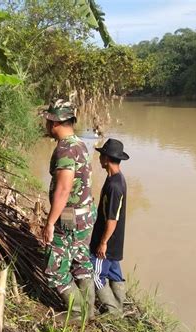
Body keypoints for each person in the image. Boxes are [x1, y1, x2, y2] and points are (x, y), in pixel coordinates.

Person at [41, 99, 96, 320]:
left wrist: (50, 223)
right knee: (81, 261)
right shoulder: (80, 144)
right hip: (86, 214)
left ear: (54, 122)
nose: (46, 126)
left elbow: (64, 188)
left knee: (55, 268)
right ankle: (89, 310)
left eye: (47, 121)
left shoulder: (65, 150)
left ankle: (77, 313)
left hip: (69, 217)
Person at [90, 138, 129, 316]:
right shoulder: (117, 178)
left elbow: (112, 219)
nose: (99, 159)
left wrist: (102, 242)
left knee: (96, 275)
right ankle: (120, 305)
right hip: (116, 240)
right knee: (114, 273)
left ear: (107, 159)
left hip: (106, 239)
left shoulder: (114, 186)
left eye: (101, 156)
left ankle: (113, 312)